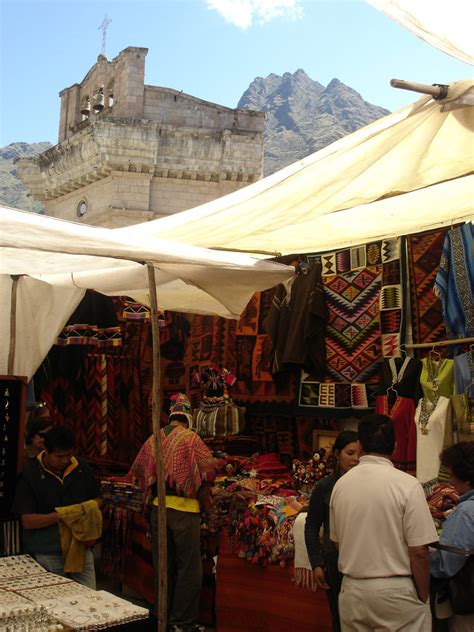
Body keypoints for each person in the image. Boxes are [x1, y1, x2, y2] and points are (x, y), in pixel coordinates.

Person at [330, 413, 438, 632]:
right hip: (395, 591)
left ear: (359, 445)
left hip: (353, 591)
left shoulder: (341, 486)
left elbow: (337, 543)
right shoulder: (407, 485)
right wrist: (423, 595)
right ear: (395, 446)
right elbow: (419, 551)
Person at [127, 393, 216, 632]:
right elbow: (209, 471)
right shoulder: (191, 439)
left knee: (162, 565)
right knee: (189, 568)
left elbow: (138, 472)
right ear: (188, 416)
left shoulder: (153, 438)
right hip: (185, 512)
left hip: (158, 509)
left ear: (171, 414)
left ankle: (161, 617)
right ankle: (182, 623)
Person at [12, 426, 101, 589]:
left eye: (69, 455)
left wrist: (87, 510)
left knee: (90, 600)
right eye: (59, 456)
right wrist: (64, 514)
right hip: (48, 551)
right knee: (55, 603)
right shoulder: (30, 473)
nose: (65, 460)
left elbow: (97, 500)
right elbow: (28, 521)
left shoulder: (81, 467)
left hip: (81, 548)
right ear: (46, 450)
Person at [305, 430, 360, 632]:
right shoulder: (325, 486)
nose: (356, 459)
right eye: (350, 453)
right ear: (337, 453)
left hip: (361, 560)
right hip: (334, 560)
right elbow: (312, 525)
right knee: (340, 618)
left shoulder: (366, 485)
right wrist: (316, 563)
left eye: (360, 454)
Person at [430, 441, 474, 632]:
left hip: (468, 605)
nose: (449, 481)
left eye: (450, 474)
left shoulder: (465, 512)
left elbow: (445, 565)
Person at [23, 403, 53, 467]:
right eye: (42, 435)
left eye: (49, 436)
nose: (45, 439)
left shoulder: (51, 457)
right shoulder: (22, 456)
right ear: (32, 436)